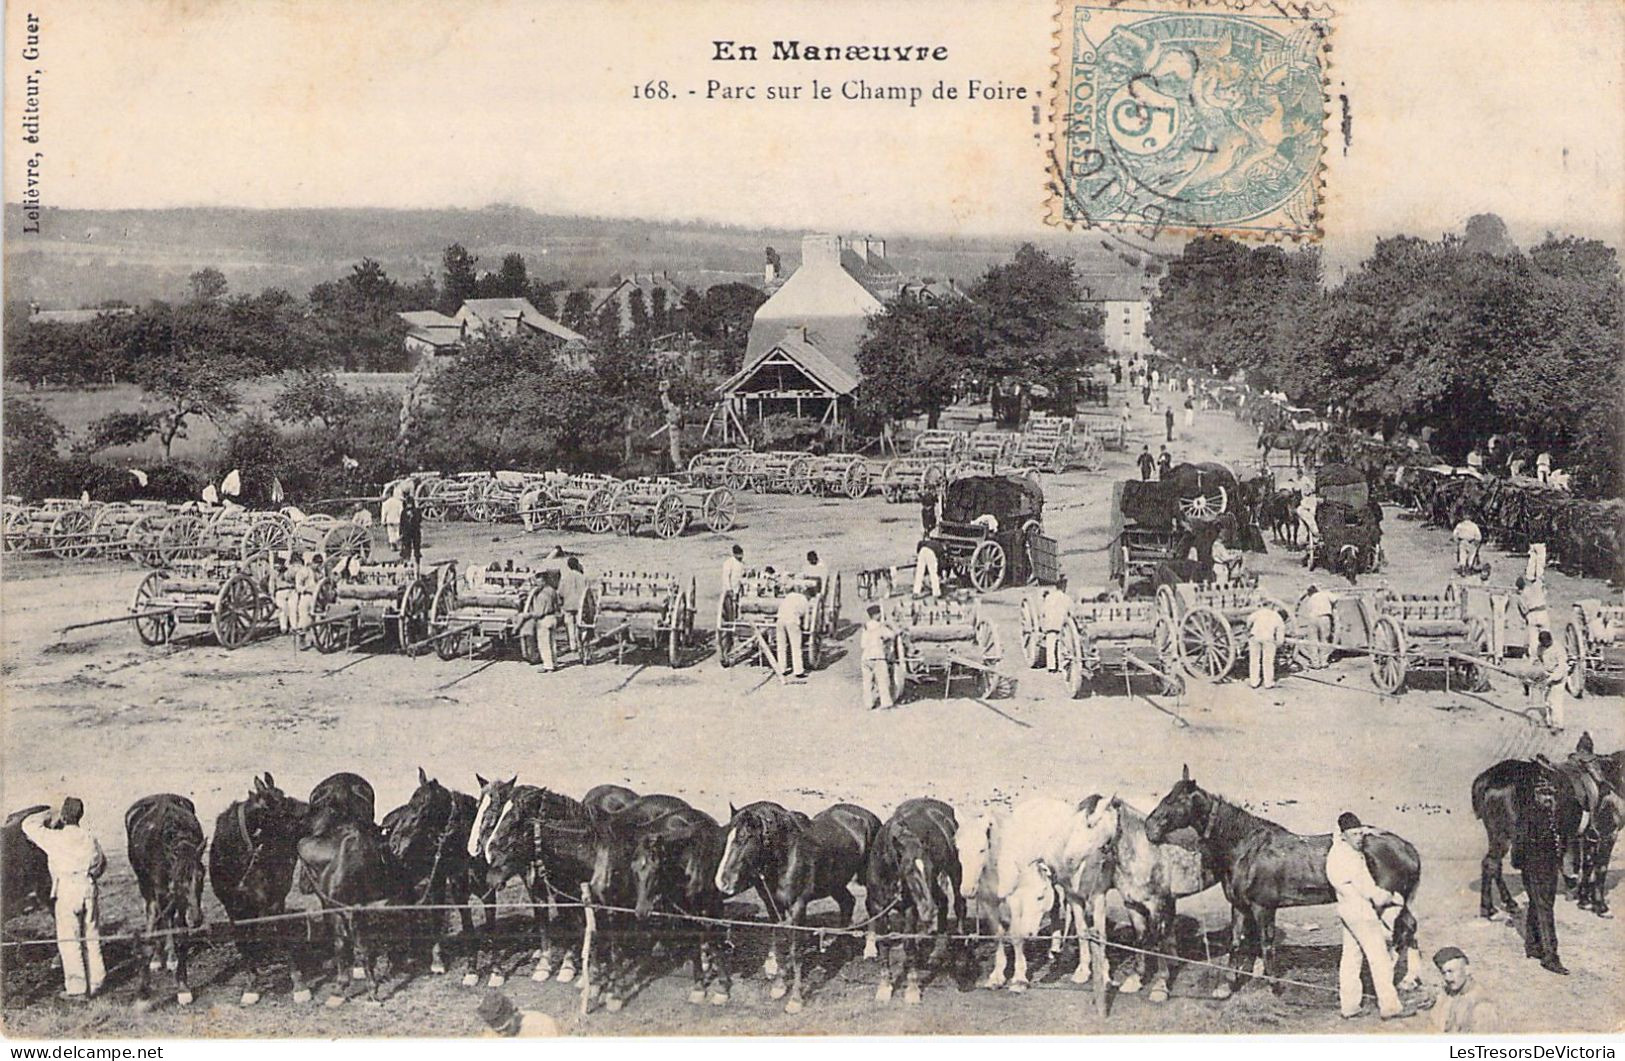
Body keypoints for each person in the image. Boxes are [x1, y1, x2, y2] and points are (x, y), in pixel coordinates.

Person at [20, 799, 107, 1000]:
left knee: (70, 940)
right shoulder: (90, 838)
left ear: (65, 816)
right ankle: (97, 981)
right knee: (92, 937)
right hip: (88, 887)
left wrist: (51, 813)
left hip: (67, 890)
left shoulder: (54, 838)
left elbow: (28, 825)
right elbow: (101, 865)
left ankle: (77, 989)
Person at [1326, 812, 1407, 1019]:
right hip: (1361, 911)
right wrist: (1391, 896)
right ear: (1344, 835)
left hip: (1346, 910)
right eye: (1354, 834)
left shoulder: (1336, 852)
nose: (1359, 838)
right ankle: (1390, 1007)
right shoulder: (1351, 858)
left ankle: (1350, 1006)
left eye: (1361, 833)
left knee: (1351, 958)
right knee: (1379, 957)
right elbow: (1371, 892)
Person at [1515, 770, 1566, 975]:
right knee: (1545, 910)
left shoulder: (1549, 814)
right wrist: (1525, 867)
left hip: (1548, 868)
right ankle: (1550, 956)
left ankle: (1533, 946)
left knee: (1540, 905)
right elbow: (1518, 845)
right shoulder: (1529, 815)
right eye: (1544, 794)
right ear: (1536, 795)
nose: (1548, 798)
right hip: (1535, 868)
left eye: (1551, 794)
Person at [1430, 947, 1499, 1032]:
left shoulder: (1482, 1006)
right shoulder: (1447, 995)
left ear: (1467, 970)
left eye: (1451, 971)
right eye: (1444, 973)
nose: (1447, 978)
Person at [476, 989, 559, 1037]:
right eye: (498, 1031)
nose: (503, 1034)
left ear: (516, 1013)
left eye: (506, 1028)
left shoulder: (541, 1026)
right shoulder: (490, 1034)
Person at [860, 604, 896, 710]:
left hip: (866, 657)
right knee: (882, 680)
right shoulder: (880, 627)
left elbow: (862, 644)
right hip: (878, 656)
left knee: (867, 682)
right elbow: (892, 635)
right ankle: (886, 703)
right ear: (876, 615)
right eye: (879, 613)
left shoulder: (865, 627)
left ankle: (868, 704)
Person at [1533, 629, 1568, 729]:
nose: (1545, 645)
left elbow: (1562, 667)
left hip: (1559, 677)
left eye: (1546, 643)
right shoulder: (1540, 648)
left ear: (1550, 640)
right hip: (1547, 674)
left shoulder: (1559, 649)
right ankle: (1549, 722)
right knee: (1547, 701)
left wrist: (1552, 678)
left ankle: (1558, 725)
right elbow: (1539, 660)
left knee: (1556, 702)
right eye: (1543, 644)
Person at [775, 586, 813, 678]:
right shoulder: (804, 600)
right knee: (796, 646)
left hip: (780, 620)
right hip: (792, 621)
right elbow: (807, 619)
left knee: (781, 646)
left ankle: (782, 669)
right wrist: (806, 628)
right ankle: (798, 671)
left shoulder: (789, 596)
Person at [527, 578, 563, 672]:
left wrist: (529, 615)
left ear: (543, 581)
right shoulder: (552, 591)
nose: (537, 585)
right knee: (552, 643)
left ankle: (548, 666)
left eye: (538, 582)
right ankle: (554, 663)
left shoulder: (541, 596)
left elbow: (539, 613)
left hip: (544, 620)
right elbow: (559, 603)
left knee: (544, 644)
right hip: (553, 618)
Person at [1247, 603, 1286, 689]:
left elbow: (1249, 620)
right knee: (1268, 661)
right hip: (1268, 638)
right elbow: (1280, 631)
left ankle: (1254, 682)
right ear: (1272, 606)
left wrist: (1249, 629)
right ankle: (1268, 683)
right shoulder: (1276, 616)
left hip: (1255, 637)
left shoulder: (1258, 612)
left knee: (1254, 660)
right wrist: (1279, 644)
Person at [1040, 577, 1074, 673]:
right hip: (1061, 625)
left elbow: (1043, 612)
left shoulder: (1049, 598)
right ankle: (1060, 666)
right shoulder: (1066, 598)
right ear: (1063, 587)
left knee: (1050, 647)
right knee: (1061, 647)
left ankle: (1051, 667)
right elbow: (1071, 612)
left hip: (1050, 625)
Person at [1301, 584, 1336, 668]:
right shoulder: (1325, 594)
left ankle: (1315, 662)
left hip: (1312, 618)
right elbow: (1335, 599)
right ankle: (1324, 661)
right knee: (1325, 639)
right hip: (1324, 617)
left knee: (1313, 640)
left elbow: (1308, 610)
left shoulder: (1310, 599)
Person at [558, 556, 587, 656]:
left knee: (569, 626)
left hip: (568, 605)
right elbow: (587, 592)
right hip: (580, 605)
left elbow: (560, 592)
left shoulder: (565, 577)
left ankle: (572, 646)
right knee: (581, 625)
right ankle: (581, 644)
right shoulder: (582, 577)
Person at [294, 552, 323, 649]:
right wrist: (306, 589)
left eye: (320, 564)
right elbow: (298, 586)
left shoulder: (320, 573)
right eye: (317, 564)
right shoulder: (304, 571)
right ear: (312, 562)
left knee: (318, 619)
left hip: (318, 598)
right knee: (304, 619)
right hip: (307, 597)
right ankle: (302, 640)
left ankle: (316, 640)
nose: (318, 566)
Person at [1517, 575, 1550, 658]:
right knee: (1545, 634)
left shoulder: (1521, 595)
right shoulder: (1535, 589)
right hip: (1542, 612)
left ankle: (1534, 657)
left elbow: (1524, 609)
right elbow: (1545, 593)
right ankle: (1547, 654)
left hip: (1532, 614)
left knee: (1533, 638)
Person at [273, 555, 297, 634]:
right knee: (282, 610)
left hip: (291, 591)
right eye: (275, 565)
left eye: (278, 565)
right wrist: (272, 596)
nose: (277, 567)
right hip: (280, 592)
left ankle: (294, 627)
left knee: (292, 609)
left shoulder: (290, 571)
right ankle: (283, 628)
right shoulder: (273, 573)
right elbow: (271, 585)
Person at [399, 492, 423, 565]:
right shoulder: (403, 512)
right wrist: (401, 532)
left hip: (414, 530)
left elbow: (419, 520)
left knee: (416, 545)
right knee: (407, 545)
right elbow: (401, 523)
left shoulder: (416, 511)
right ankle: (407, 559)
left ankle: (416, 558)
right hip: (408, 531)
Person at [380, 485, 405, 550]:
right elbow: (401, 512)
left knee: (391, 533)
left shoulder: (386, 503)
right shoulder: (399, 502)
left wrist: (383, 521)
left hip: (389, 520)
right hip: (397, 520)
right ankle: (397, 544)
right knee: (397, 532)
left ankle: (392, 545)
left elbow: (384, 513)